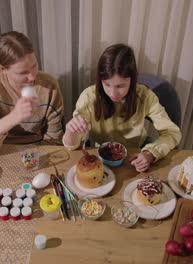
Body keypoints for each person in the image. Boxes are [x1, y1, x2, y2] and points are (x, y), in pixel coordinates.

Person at [63, 44, 181, 172]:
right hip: (99, 154)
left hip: (136, 153)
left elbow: (172, 132)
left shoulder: (145, 96)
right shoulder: (89, 97)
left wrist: (150, 154)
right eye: (107, 84)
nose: (113, 94)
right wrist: (71, 130)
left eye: (120, 86)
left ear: (134, 78)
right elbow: (71, 146)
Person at [0, 31, 64, 156]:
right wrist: (13, 117)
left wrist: (32, 158)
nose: (32, 77)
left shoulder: (49, 86)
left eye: (34, 65)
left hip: (38, 156)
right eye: (23, 73)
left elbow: (55, 141)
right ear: (3, 69)